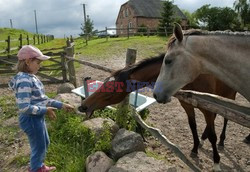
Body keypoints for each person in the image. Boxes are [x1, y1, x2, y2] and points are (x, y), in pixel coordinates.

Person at [9, 45, 75, 172]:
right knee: (39, 147)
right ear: (28, 61)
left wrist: (61, 105)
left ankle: (38, 165)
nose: (40, 65)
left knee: (44, 143)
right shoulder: (24, 81)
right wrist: (45, 110)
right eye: (38, 62)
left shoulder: (31, 77)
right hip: (30, 119)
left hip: (36, 117)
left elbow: (42, 100)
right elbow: (24, 107)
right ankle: (35, 169)